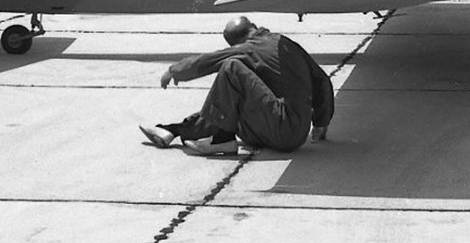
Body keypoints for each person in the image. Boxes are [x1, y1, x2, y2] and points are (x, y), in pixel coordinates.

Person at [139, 16, 334, 155]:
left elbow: (204, 62)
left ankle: (221, 139)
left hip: (282, 129)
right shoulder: (286, 43)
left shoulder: (246, 49)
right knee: (233, 100)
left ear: (234, 44)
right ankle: (173, 130)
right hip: (296, 133)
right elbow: (321, 79)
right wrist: (321, 122)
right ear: (254, 26)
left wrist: (174, 71)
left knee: (231, 67)